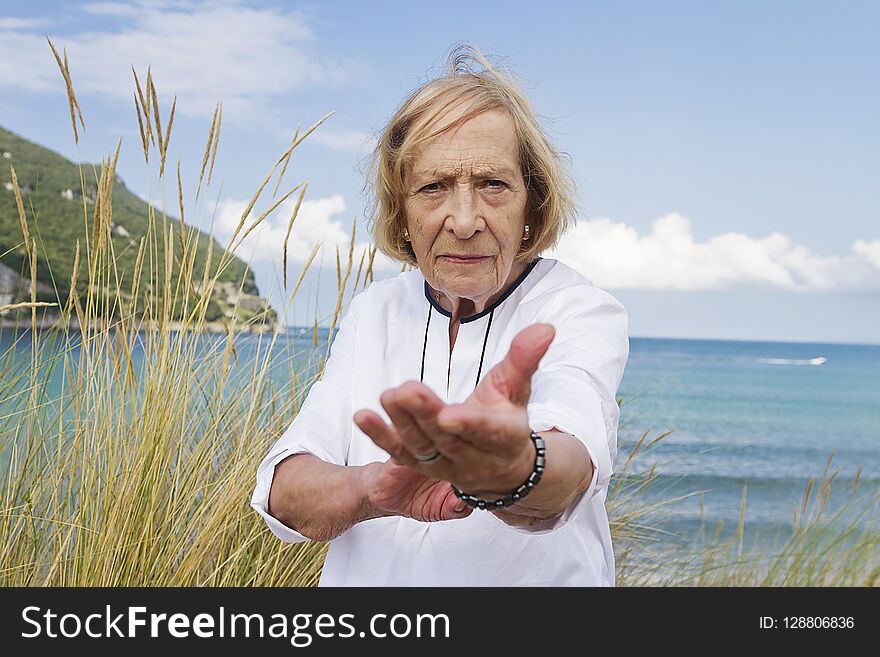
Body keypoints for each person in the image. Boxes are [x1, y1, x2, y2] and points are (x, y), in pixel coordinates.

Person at [251, 45, 629, 586]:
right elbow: (285, 489)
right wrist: (372, 487)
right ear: (400, 211)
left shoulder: (576, 308)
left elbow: (571, 462)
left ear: (533, 202)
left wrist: (511, 468)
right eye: (433, 187)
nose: (465, 219)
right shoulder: (375, 311)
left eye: (493, 185)